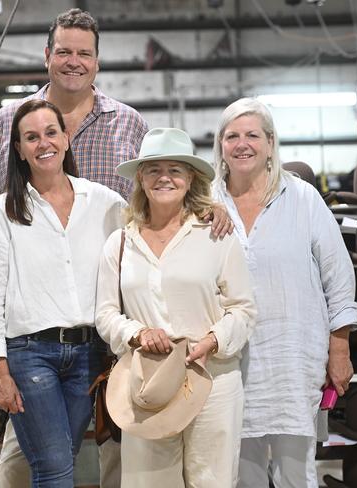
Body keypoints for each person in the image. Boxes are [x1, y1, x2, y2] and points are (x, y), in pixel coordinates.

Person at [0, 9, 148, 487]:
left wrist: (207, 208)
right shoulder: (7, 121)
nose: (73, 61)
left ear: (97, 61)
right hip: (30, 333)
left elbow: (153, 213)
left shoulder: (129, 124)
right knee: (32, 461)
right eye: (63, 51)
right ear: (47, 56)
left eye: (83, 53)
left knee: (115, 448)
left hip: (106, 327)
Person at [212, 98, 357, 488]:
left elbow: (338, 277)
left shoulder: (303, 199)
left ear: (270, 143)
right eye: (232, 136)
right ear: (220, 146)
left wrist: (340, 350)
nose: (242, 144)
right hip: (227, 361)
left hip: (292, 361)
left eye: (252, 135)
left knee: (296, 473)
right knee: (240, 474)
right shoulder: (206, 202)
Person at [0, 99, 126, 487]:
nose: (43, 142)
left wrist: (207, 209)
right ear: (19, 150)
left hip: (88, 354)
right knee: (55, 465)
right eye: (31, 136)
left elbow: (153, 222)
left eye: (51, 132)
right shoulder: (3, 210)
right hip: (29, 355)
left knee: (61, 461)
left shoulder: (104, 202)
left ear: (66, 138)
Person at [95, 128, 257, 487]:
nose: (164, 177)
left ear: (190, 178)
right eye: (153, 169)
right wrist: (137, 333)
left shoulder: (216, 235)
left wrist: (211, 342)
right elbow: (105, 314)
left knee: (211, 482)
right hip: (146, 384)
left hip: (212, 380)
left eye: (175, 169)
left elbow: (244, 309)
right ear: (140, 177)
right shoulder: (120, 242)